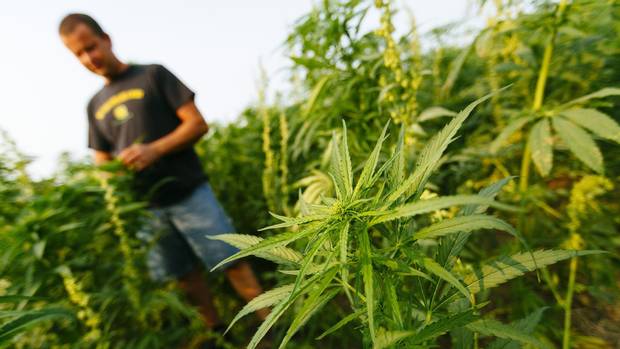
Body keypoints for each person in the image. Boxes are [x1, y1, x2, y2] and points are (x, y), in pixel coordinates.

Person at [58, 13, 269, 336]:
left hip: (189, 192)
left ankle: (272, 330)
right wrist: (114, 176)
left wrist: (154, 150)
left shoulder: (152, 75)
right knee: (183, 275)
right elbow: (101, 162)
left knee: (231, 259)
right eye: (79, 54)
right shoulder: (94, 105)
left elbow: (197, 124)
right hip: (146, 209)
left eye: (92, 47)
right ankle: (215, 333)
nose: (90, 58)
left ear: (106, 39)